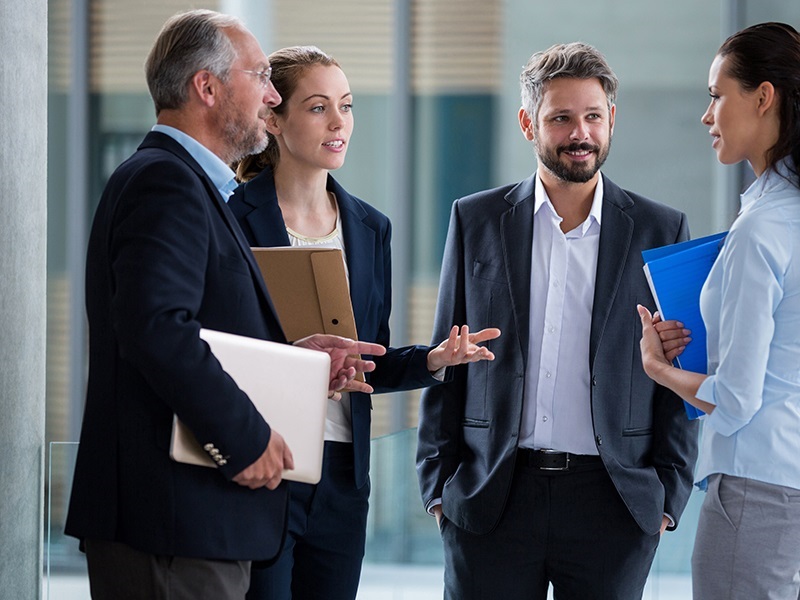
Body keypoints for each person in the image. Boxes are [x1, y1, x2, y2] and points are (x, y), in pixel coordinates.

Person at [64, 11, 387, 600]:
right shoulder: (167, 182)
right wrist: (245, 438)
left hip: (188, 522)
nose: (270, 95)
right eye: (260, 76)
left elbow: (198, 331)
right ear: (206, 88)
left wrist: (298, 361)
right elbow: (158, 331)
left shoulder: (190, 186)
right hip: (172, 522)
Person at [416, 41, 700, 599]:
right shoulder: (475, 219)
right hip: (493, 495)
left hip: (612, 504)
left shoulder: (660, 229)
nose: (580, 133)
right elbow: (445, 355)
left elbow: (677, 373)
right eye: (561, 118)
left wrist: (666, 498)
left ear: (612, 120)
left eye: (593, 116)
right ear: (528, 123)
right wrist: (437, 486)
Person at [227, 45, 501, 600]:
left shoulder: (370, 227)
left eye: (347, 107)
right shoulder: (231, 216)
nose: (338, 123)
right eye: (318, 107)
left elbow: (367, 360)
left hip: (343, 478)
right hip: (262, 463)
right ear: (273, 120)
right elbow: (215, 346)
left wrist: (434, 360)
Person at [639, 22, 800, 600]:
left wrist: (659, 369)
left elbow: (734, 398)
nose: (707, 116)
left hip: (757, 490)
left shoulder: (762, 227)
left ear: (762, 97)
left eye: (715, 95)